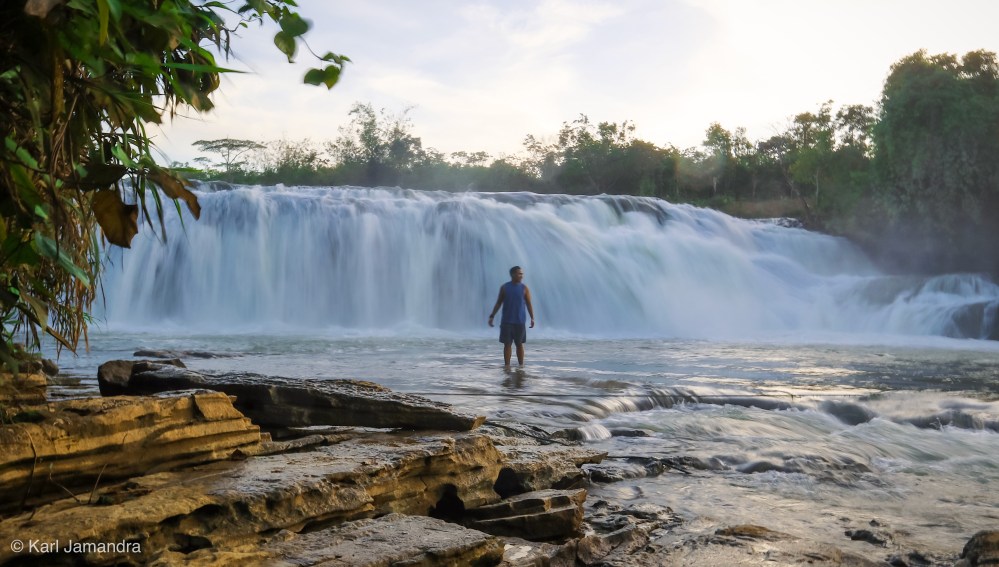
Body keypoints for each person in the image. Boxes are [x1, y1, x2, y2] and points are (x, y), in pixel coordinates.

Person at [488, 266, 535, 367]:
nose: (521, 276)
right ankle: (507, 366)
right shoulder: (505, 287)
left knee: (519, 344)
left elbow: (529, 304)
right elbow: (498, 303)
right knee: (507, 344)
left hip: (520, 321)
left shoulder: (524, 288)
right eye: (519, 274)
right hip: (507, 321)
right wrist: (492, 316)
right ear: (512, 275)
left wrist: (532, 318)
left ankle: (521, 365)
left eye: (522, 274)